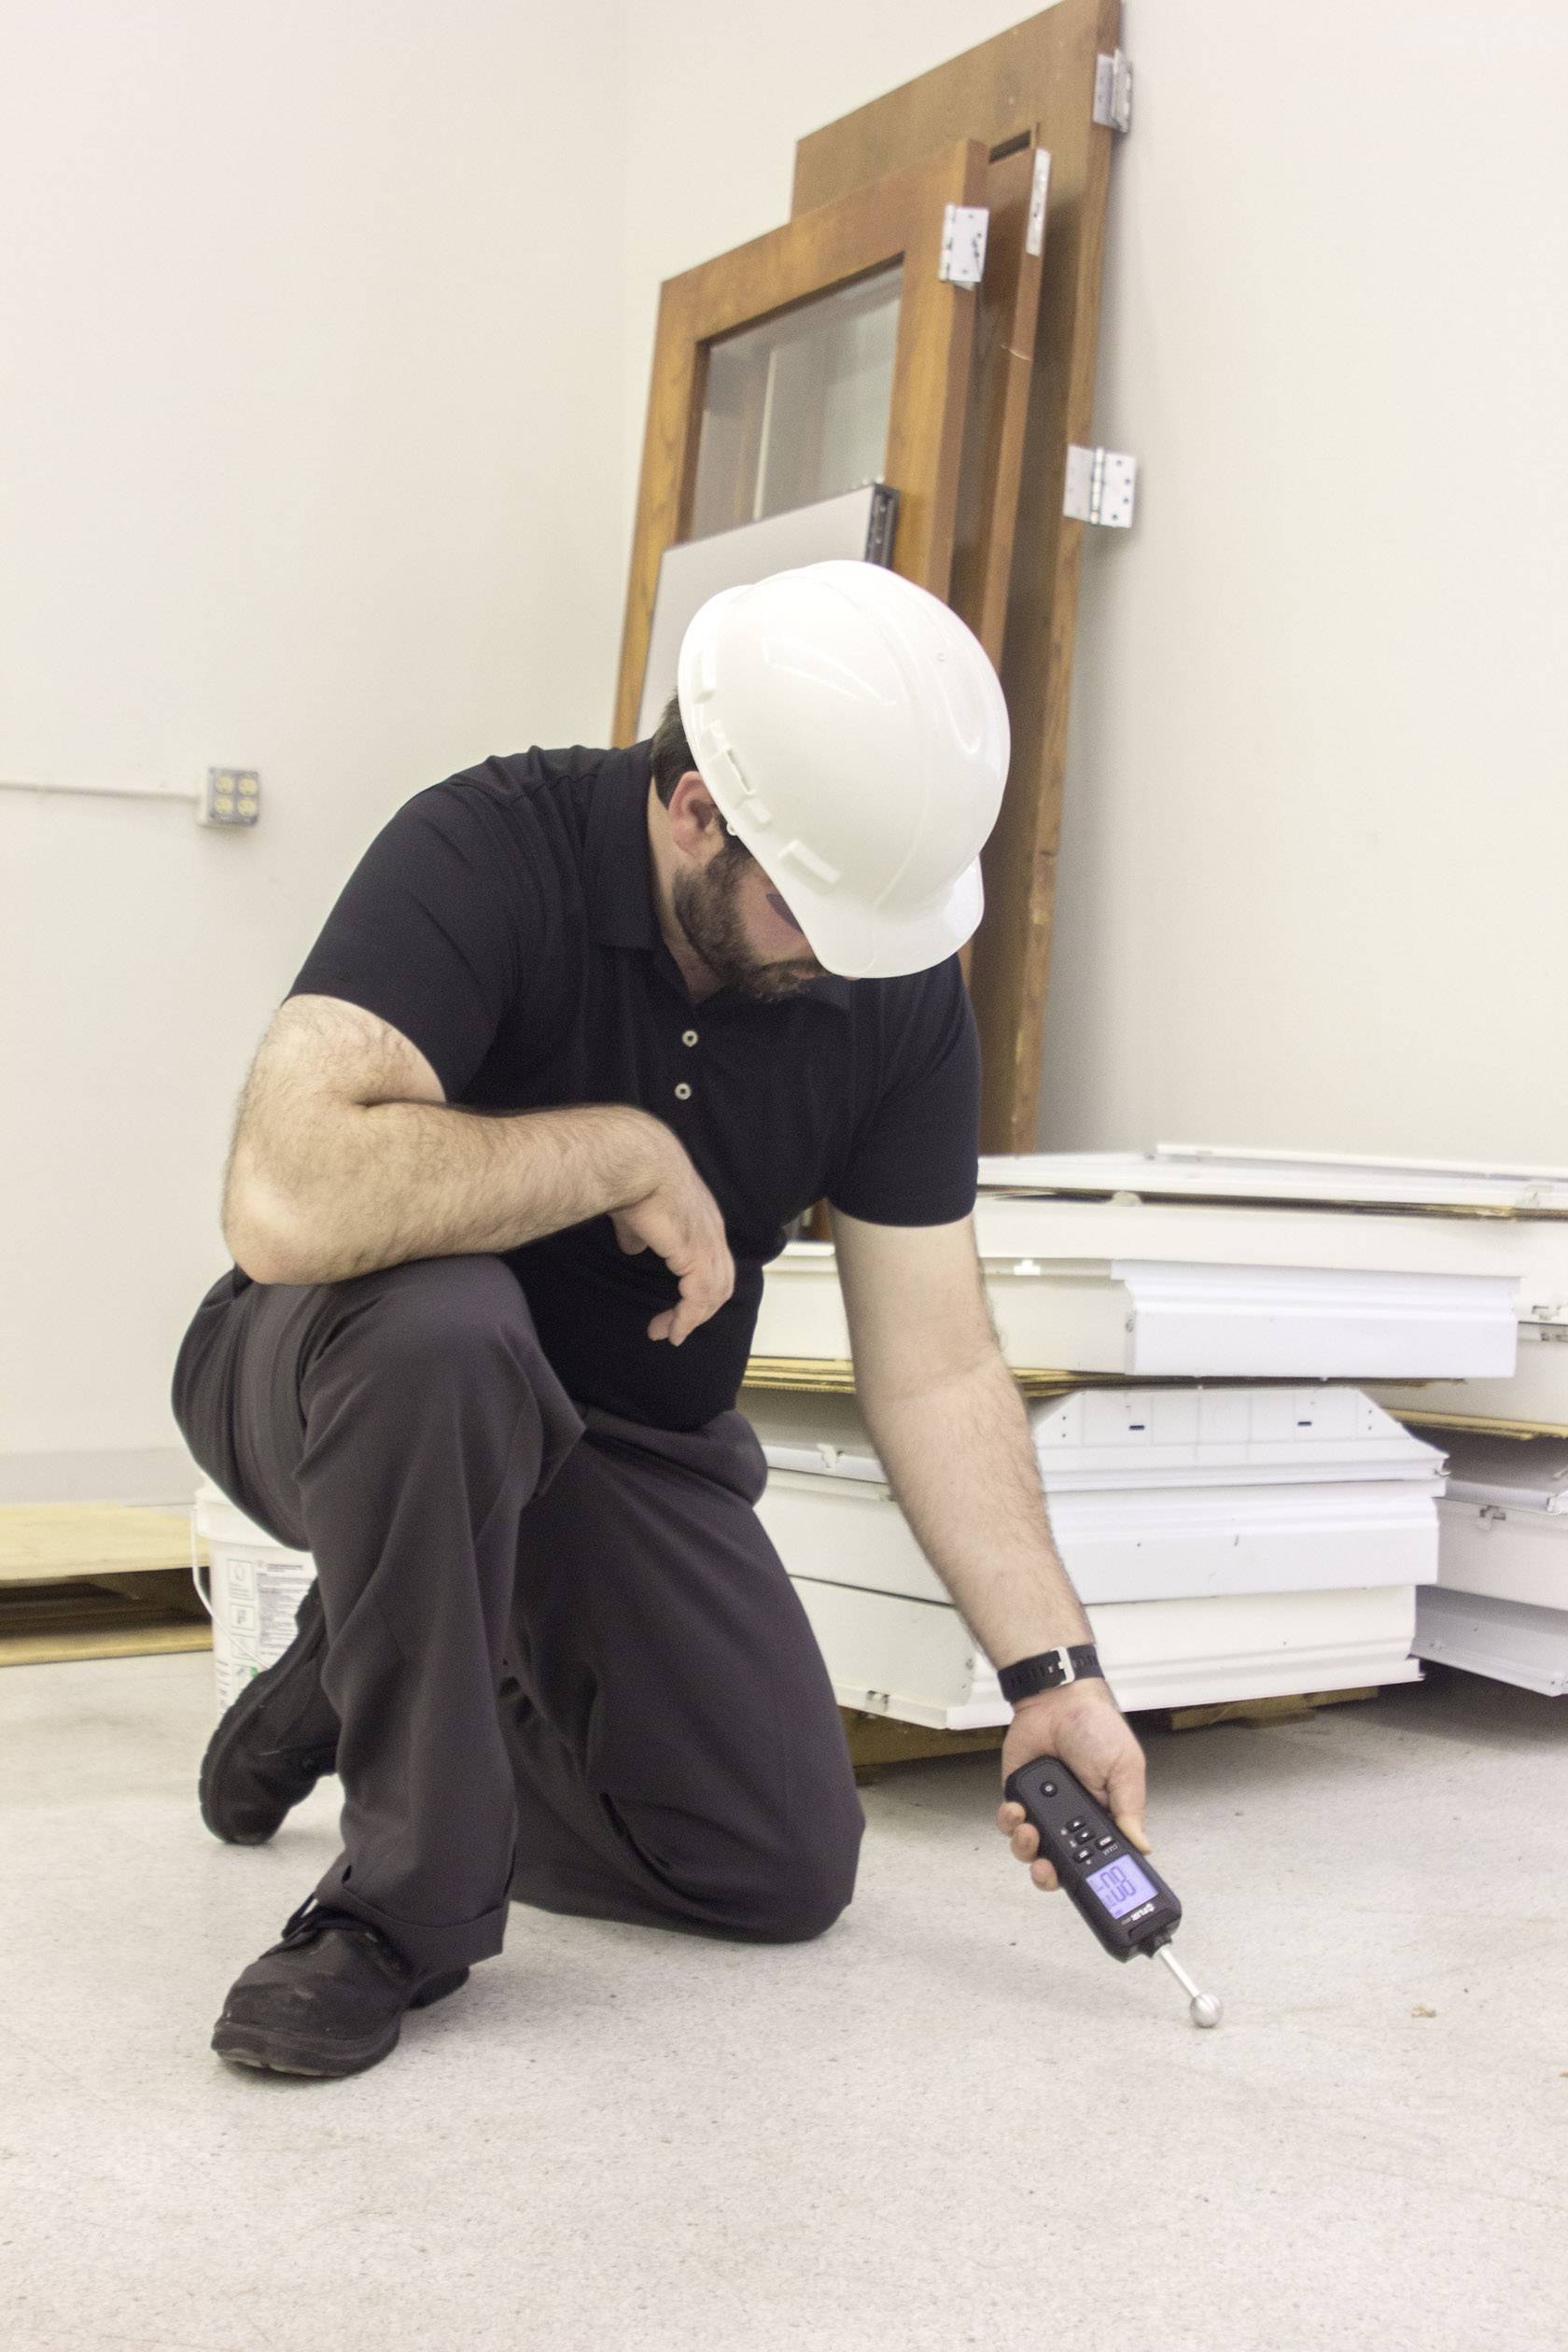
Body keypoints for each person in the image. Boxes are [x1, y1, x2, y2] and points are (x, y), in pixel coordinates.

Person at [172, 561, 1151, 2079]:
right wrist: (614, 1147)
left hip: (618, 1447)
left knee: (777, 1862)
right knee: (449, 1330)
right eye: (806, 909)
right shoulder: (488, 846)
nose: (840, 958)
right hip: (337, 1378)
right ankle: (397, 1913)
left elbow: (940, 1363)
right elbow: (282, 1193)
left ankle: (361, 1664)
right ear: (693, 806)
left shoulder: (884, 973)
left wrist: (1054, 1677)